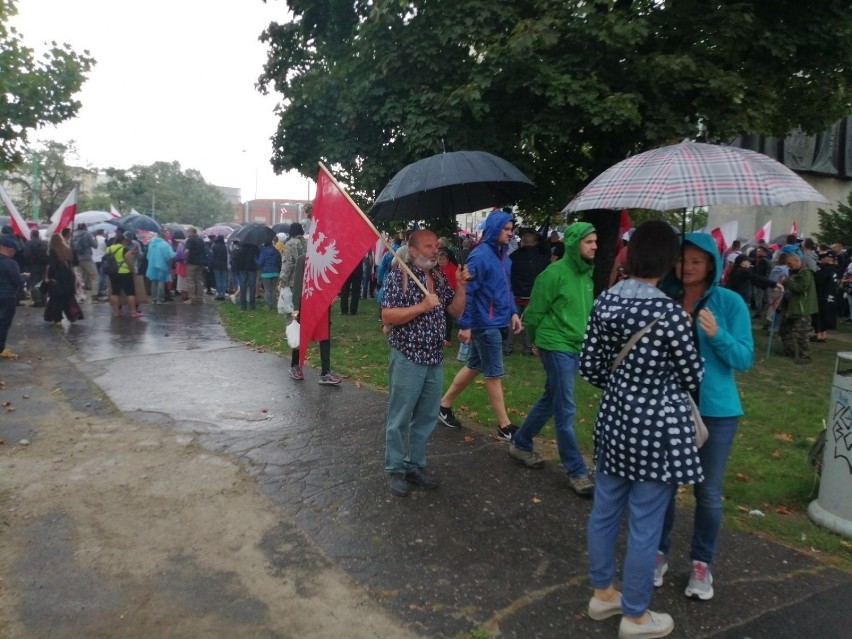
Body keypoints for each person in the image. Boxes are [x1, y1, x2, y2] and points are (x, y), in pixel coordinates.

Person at [580, 221, 704, 639]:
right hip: (658, 428)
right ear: (668, 261)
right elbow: (692, 375)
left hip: (614, 420)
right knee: (646, 523)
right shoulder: (670, 314)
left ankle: (603, 594)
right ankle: (635, 615)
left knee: (605, 511)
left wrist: (624, 387)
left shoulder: (605, 302)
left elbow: (591, 367)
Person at [655, 231, 755, 604]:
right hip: (671, 405)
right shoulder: (666, 299)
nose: (688, 267)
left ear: (711, 263)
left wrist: (716, 334)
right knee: (663, 485)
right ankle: (657, 552)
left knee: (707, 492)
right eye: (682, 260)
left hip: (716, 412)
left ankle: (701, 563)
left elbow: (744, 358)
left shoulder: (729, 302)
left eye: (697, 261)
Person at [508, 222, 597, 496]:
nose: (594, 246)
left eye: (595, 242)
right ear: (573, 244)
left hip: (573, 345)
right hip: (554, 344)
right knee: (565, 408)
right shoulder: (553, 273)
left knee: (551, 398)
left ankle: (521, 442)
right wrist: (534, 341)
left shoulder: (586, 274)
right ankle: (577, 471)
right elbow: (534, 312)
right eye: (588, 242)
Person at [381, 230, 468, 497]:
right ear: (414, 251)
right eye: (428, 246)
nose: (435, 250)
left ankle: (414, 465)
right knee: (400, 417)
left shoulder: (439, 276)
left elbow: (455, 310)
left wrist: (460, 285)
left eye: (436, 245)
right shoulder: (400, 276)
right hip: (409, 357)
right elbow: (388, 315)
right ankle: (395, 468)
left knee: (427, 417)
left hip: (434, 358)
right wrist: (422, 306)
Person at [437, 209, 523, 441]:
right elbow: (469, 292)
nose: (510, 233)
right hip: (485, 324)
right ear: (494, 229)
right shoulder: (479, 256)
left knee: (474, 365)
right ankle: (504, 426)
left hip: (497, 320)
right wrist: (466, 325)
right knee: (493, 373)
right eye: (505, 229)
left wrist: (513, 312)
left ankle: (443, 406)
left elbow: (506, 289)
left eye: (511, 228)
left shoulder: (504, 256)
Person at [289, 251, 341, 385]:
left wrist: (332, 295)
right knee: (300, 335)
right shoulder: (303, 259)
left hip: (322, 304)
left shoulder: (326, 257)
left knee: (324, 336)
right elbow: (298, 284)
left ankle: (325, 372)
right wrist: (296, 307)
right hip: (305, 303)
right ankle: (295, 366)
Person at [506, 230, 550, 355]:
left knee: (512, 322)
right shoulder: (542, 257)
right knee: (529, 322)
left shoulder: (514, 256)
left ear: (522, 242)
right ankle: (528, 348)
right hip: (533, 295)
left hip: (516, 293)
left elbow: (508, 274)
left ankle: (508, 347)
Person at [778, 253, 817, 364]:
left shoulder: (806, 273)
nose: (789, 266)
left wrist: (787, 281)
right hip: (792, 306)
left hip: (802, 308)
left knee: (801, 333)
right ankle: (788, 351)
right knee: (785, 330)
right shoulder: (795, 272)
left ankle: (805, 356)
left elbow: (801, 288)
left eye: (790, 263)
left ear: (796, 261)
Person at [43, 233, 84, 324]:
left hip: (57, 278)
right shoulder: (69, 250)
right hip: (69, 276)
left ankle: (56, 318)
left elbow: (51, 266)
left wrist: (49, 277)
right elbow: (75, 262)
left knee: (55, 299)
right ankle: (73, 314)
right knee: (68, 297)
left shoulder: (52, 252)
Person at [105, 231, 142, 318]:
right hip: (124, 272)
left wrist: (131, 252)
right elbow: (129, 261)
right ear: (123, 241)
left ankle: (116, 312)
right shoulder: (124, 249)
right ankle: (133, 312)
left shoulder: (109, 249)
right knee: (130, 293)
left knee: (115, 292)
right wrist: (133, 272)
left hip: (112, 272)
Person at [280, 222, 307, 325]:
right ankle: (303, 329)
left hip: (293, 281)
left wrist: (283, 281)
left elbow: (287, 264)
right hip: (306, 281)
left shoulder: (290, 244)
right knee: (303, 307)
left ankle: (292, 330)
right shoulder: (306, 243)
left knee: (290, 307)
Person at [0, 235, 23, 358]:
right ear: (8, 249)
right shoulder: (11, 263)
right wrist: (23, 278)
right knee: (3, 323)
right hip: (6, 296)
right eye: (14, 251)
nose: (14, 253)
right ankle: (1, 349)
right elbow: (16, 281)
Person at [811, 250, 839, 343]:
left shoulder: (826, 269)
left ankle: (818, 335)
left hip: (823, 295)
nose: (822, 259)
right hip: (831, 296)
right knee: (826, 316)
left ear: (829, 258)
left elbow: (818, 281)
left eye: (824, 257)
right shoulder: (835, 269)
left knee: (818, 315)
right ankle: (824, 335)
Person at [145, 230, 176, 303]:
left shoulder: (151, 244)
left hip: (152, 265)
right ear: (164, 236)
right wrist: (170, 266)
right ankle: (160, 299)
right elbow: (170, 256)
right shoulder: (165, 244)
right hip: (162, 265)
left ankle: (154, 298)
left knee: (154, 281)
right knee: (161, 282)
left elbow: (148, 255)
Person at [71, 223, 97, 302]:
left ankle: (80, 295)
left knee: (78, 277)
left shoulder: (73, 235)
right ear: (85, 227)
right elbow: (95, 245)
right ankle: (95, 294)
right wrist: (95, 237)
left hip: (76, 259)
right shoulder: (88, 234)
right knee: (94, 275)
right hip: (87, 258)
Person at [437, 248, 458, 346]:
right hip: (440, 295)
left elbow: (455, 284)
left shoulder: (452, 269)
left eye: (443, 259)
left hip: (450, 295)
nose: (441, 261)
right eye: (439, 259)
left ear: (447, 259)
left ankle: (447, 339)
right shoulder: (438, 269)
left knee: (447, 316)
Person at [21, 228, 48, 303]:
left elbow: (26, 255)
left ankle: (37, 300)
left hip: (32, 266)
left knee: (34, 284)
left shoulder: (29, 243)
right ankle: (43, 299)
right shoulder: (44, 243)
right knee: (43, 283)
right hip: (43, 266)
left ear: (31, 235)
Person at [231, 239, 259, 311]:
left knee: (243, 287)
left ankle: (243, 305)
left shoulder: (240, 247)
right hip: (252, 269)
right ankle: (252, 305)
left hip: (242, 269)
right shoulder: (254, 247)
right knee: (252, 287)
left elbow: (236, 258)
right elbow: (257, 256)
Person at [256, 239, 282, 310]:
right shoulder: (276, 251)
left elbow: (260, 263)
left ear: (265, 244)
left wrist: (255, 259)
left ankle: (268, 306)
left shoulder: (263, 251)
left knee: (267, 289)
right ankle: (274, 305)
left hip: (265, 273)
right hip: (275, 272)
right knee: (273, 289)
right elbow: (279, 261)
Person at [183, 227, 206, 304]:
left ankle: (192, 299)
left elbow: (186, 251)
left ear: (192, 232)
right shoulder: (201, 240)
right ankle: (200, 298)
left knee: (191, 281)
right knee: (199, 281)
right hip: (200, 263)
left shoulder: (190, 240)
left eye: (188, 232)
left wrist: (185, 259)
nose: (188, 234)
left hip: (192, 263)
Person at [211, 235, 229, 300]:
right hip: (224, 265)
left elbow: (212, 256)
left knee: (218, 280)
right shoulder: (225, 246)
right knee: (224, 281)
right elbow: (228, 256)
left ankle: (218, 294)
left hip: (216, 265)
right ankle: (223, 295)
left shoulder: (214, 246)